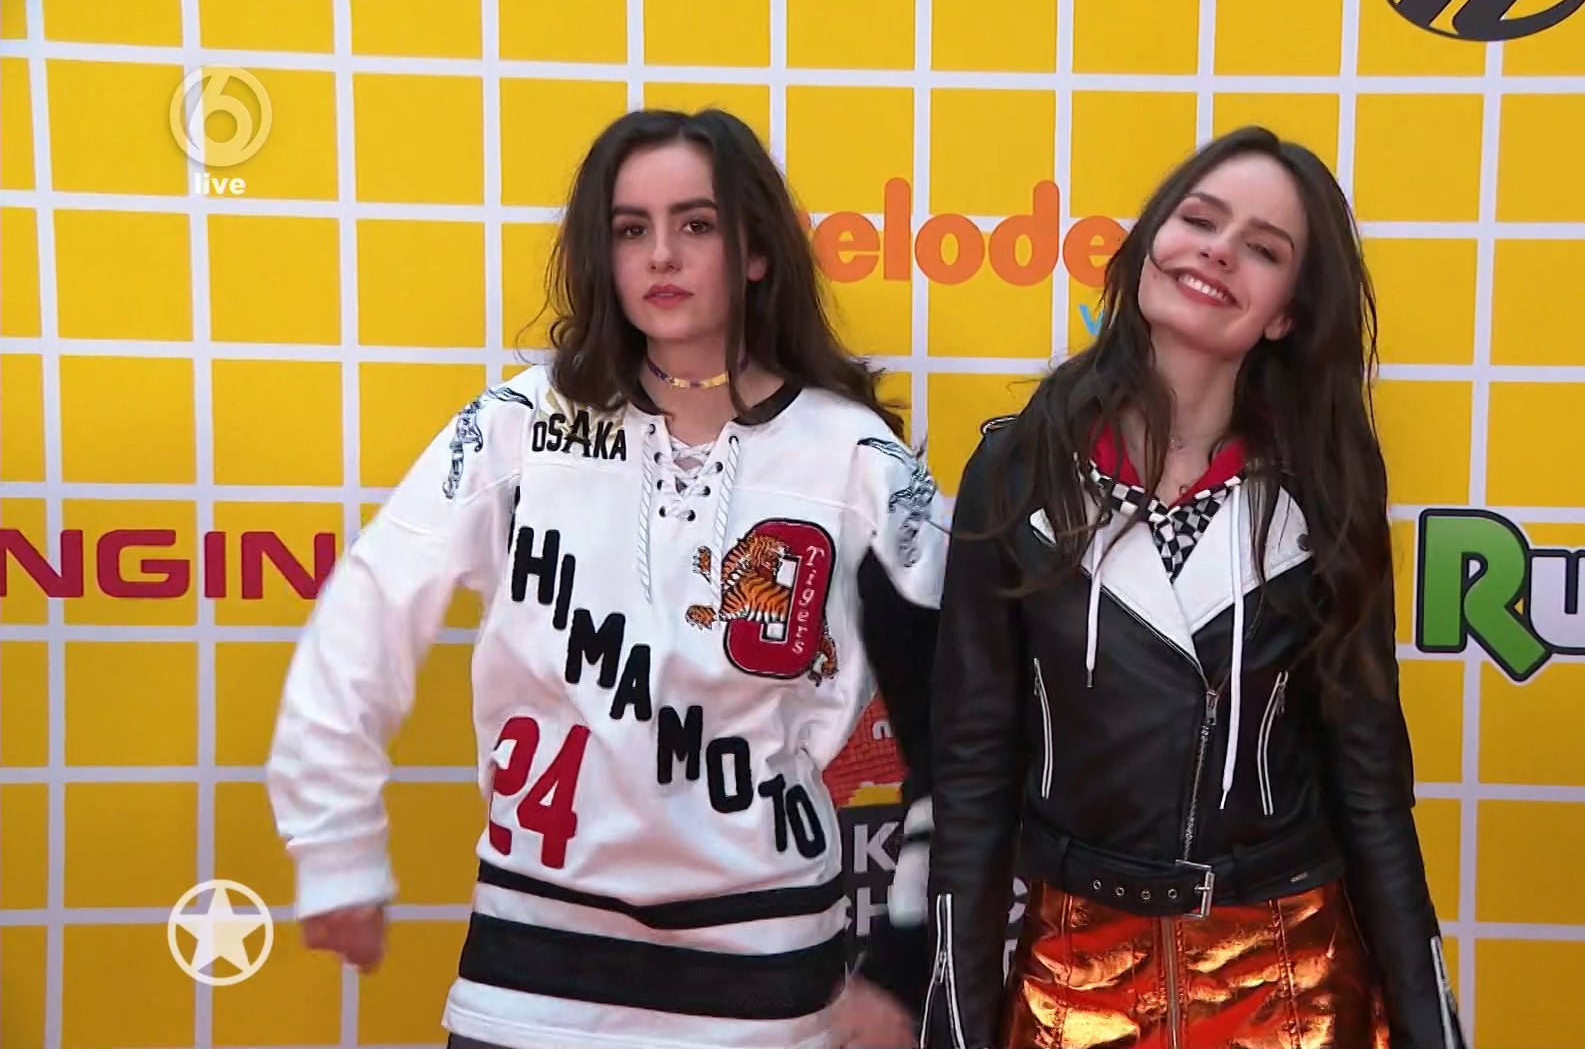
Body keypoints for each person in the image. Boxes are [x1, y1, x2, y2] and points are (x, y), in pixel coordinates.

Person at [265, 107, 944, 1049]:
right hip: (529, 986)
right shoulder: (522, 426)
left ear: (756, 252)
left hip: (769, 990)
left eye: (696, 224)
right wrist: (336, 847)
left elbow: (961, 731)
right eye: (631, 229)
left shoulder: (856, 460)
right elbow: (364, 616)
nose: (661, 255)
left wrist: (907, 962)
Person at [921, 126, 1467, 1049]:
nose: (1218, 251)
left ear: (1285, 314)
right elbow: (972, 777)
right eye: (1200, 220)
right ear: (1149, 244)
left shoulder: (1324, 488)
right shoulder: (1020, 471)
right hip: (1072, 984)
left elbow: (1370, 781)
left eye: (1264, 249)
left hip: (1290, 986)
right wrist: (957, 1029)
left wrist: (1429, 1023)